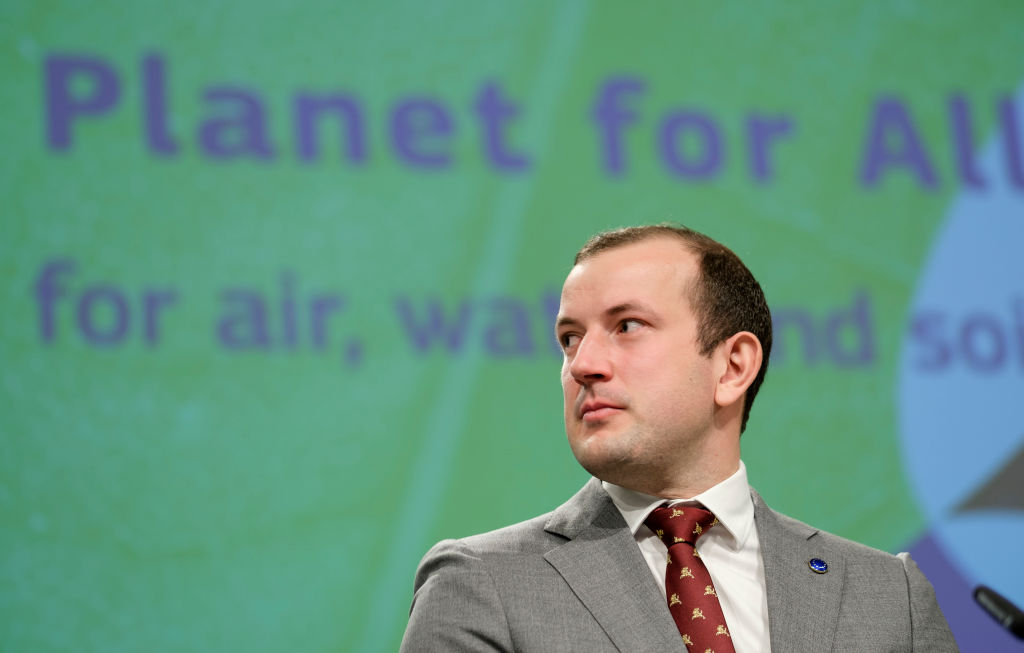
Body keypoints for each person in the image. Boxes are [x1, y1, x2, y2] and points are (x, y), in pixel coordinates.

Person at [400, 224, 957, 652]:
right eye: (570, 338)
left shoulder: (889, 596)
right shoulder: (482, 586)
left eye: (627, 326)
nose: (583, 363)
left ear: (732, 367)